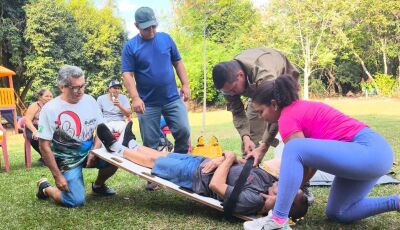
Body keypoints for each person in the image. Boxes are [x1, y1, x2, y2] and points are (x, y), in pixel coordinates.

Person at [243, 75, 400, 229]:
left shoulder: (287, 117)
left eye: (260, 111)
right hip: (372, 156)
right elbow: (309, 163)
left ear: (274, 104)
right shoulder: (297, 109)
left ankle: (278, 219)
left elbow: (300, 157)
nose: (260, 117)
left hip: (369, 151)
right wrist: (285, 187)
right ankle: (396, 202)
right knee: (339, 212)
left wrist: (282, 190)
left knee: (293, 147)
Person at [96, 122, 309, 218]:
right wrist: (222, 159)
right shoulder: (267, 182)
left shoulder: (254, 201)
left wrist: (228, 158)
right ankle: (132, 144)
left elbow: (217, 185)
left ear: (282, 199)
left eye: (287, 189)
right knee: (165, 155)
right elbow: (244, 165)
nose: (285, 183)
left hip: (197, 176)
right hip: (206, 163)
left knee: (155, 164)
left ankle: (118, 149)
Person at [121, 6, 191, 190]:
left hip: (172, 98)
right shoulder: (131, 46)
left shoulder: (165, 38)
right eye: (146, 28)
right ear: (137, 26)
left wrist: (186, 84)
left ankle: (180, 167)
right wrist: (135, 98)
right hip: (148, 103)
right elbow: (127, 74)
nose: (151, 31)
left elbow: (178, 62)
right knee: (150, 141)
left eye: (153, 26)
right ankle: (155, 176)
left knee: (183, 131)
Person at [35, 65, 118, 208]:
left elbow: (100, 128)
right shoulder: (50, 109)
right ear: (62, 87)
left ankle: (98, 186)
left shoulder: (90, 101)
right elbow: (44, 146)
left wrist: (95, 150)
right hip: (67, 160)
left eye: (82, 86)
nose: (80, 91)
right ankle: (45, 188)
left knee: (116, 159)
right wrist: (57, 176)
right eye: (75, 87)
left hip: (90, 153)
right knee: (74, 201)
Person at [212, 48, 299, 158]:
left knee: (288, 124)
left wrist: (265, 144)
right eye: (228, 92)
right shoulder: (228, 85)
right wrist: (245, 137)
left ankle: (296, 160)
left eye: (233, 89)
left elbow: (275, 109)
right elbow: (237, 112)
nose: (232, 94)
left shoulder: (263, 73)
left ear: (240, 75)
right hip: (257, 92)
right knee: (250, 139)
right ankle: (249, 169)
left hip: (284, 84)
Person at [24, 89, 53, 165]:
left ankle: (48, 158)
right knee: (36, 137)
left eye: (51, 96)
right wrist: (34, 131)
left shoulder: (53, 107)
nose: (49, 98)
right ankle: (45, 157)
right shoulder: (35, 106)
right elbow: (27, 120)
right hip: (33, 127)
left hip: (46, 128)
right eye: (46, 96)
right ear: (40, 97)